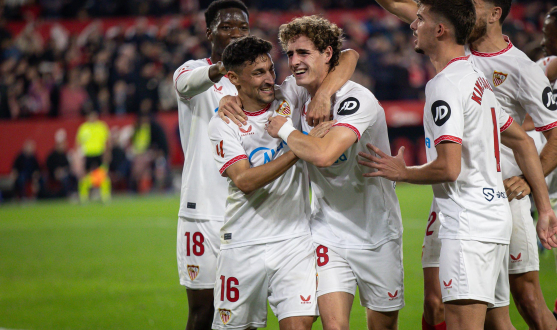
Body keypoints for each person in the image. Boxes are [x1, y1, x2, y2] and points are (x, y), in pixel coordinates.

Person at [358, 1, 557, 329]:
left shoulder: (445, 86)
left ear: (440, 30)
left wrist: (402, 172)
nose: (412, 25)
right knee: (497, 321)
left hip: (467, 224)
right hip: (493, 218)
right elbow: (521, 140)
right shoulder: (475, 76)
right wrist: (545, 207)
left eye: (420, 20)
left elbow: (449, 168)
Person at [173, 2, 357, 329]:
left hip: (256, 219)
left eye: (242, 27)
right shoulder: (194, 72)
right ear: (209, 32)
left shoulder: (272, 89)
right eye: (226, 27)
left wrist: (324, 94)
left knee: (250, 319)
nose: (235, 33)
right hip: (203, 209)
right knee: (203, 310)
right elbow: (187, 85)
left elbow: (349, 56)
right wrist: (223, 74)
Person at [265, 15, 404, 330]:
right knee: (335, 326)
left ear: (327, 54)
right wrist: (233, 97)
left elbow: (326, 155)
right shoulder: (295, 91)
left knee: (381, 326)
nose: (294, 62)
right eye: (289, 54)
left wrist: (285, 129)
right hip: (327, 231)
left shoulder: (358, 100)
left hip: (376, 232)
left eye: (303, 53)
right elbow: (259, 91)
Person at [208, 35, 338, 330]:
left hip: (293, 240)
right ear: (233, 79)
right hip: (243, 244)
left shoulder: (288, 97)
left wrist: (323, 93)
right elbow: (244, 179)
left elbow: (350, 56)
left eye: (270, 70)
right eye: (258, 73)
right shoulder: (223, 123)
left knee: (299, 324)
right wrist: (301, 147)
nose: (270, 79)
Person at [75, 109, 111, 203]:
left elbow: (106, 142)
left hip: (99, 153)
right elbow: (78, 143)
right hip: (87, 154)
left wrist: (107, 154)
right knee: (85, 176)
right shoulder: (83, 128)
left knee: (102, 175)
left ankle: (105, 196)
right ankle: (83, 197)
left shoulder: (101, 126)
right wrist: (79, 156)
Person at [46, 129, 74, 198]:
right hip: (54, 174)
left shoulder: (65, 155)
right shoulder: (52, 155)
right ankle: (65, 195)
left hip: (64, 173)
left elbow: (68, 165)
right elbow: (48, 165)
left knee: (72, 177)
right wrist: (56, 171)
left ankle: (72, 193)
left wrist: (63, 170)